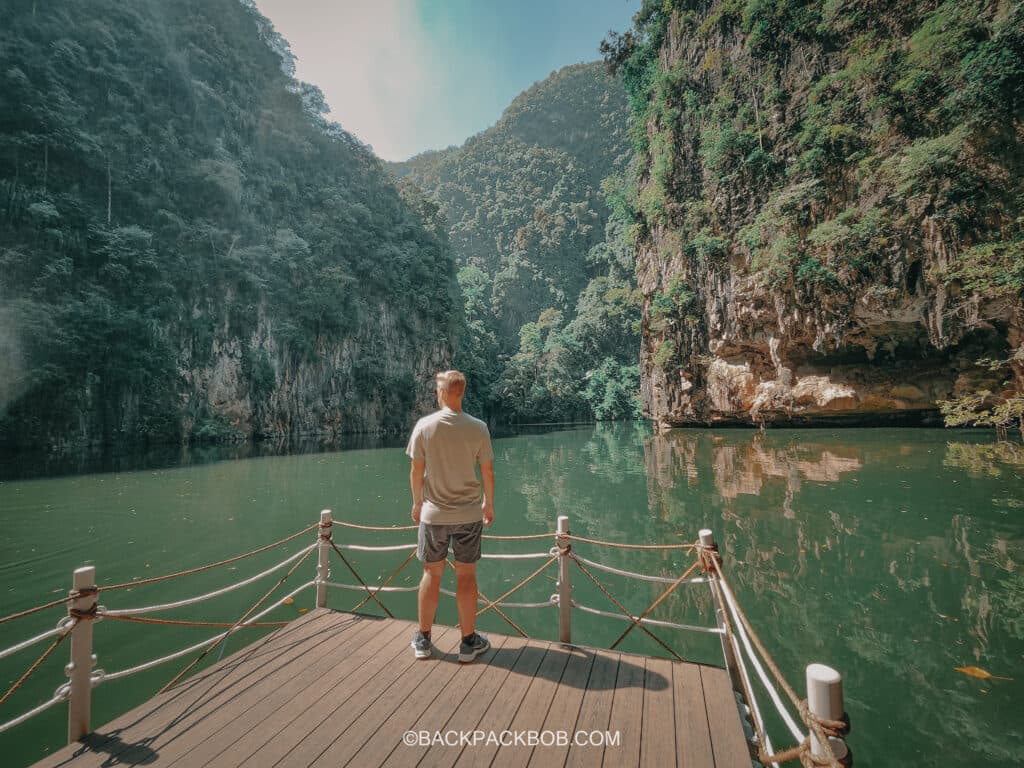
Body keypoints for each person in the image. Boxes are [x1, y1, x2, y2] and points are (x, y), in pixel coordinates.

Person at [406, 370, 495, 662]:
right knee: (466, 575)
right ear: (462, 392)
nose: (436, 393)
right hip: (469, 514)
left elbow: (416, 471)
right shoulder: (478, 428)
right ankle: (468, 643)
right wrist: (489, 504)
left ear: (443, 392)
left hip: (433, 516)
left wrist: (417, 503)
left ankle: (423, 640)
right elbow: (487, 471)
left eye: (437, 389)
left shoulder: (425, 426)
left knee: (431, 573)